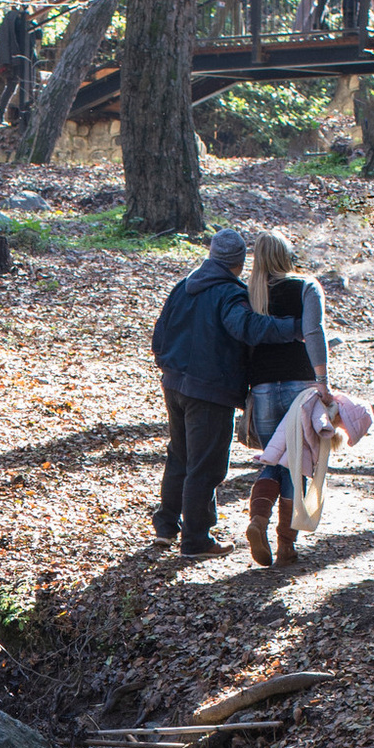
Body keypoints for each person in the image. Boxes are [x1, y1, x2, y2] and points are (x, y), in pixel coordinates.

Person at [148, 228, 319, 559]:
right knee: (206, 465)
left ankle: (167, 527)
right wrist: (295, 329)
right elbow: (249, 328)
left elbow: (160, 335)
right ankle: (196, 540)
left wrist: (170, 367)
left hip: (174, 384)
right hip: (210, 390)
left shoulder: (184, 287)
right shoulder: (229, 293)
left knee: (180, 456)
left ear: (212, 255)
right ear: (240, 262)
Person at [238, 226, 335, 566]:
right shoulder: (306, 286)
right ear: (286, 255)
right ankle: (285, 545)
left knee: (272, 459)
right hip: (300, 389)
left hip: (262, 389)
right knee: (296, 466)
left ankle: (258, 520)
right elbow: (313, 331)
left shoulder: (247, 294)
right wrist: (322, 380)